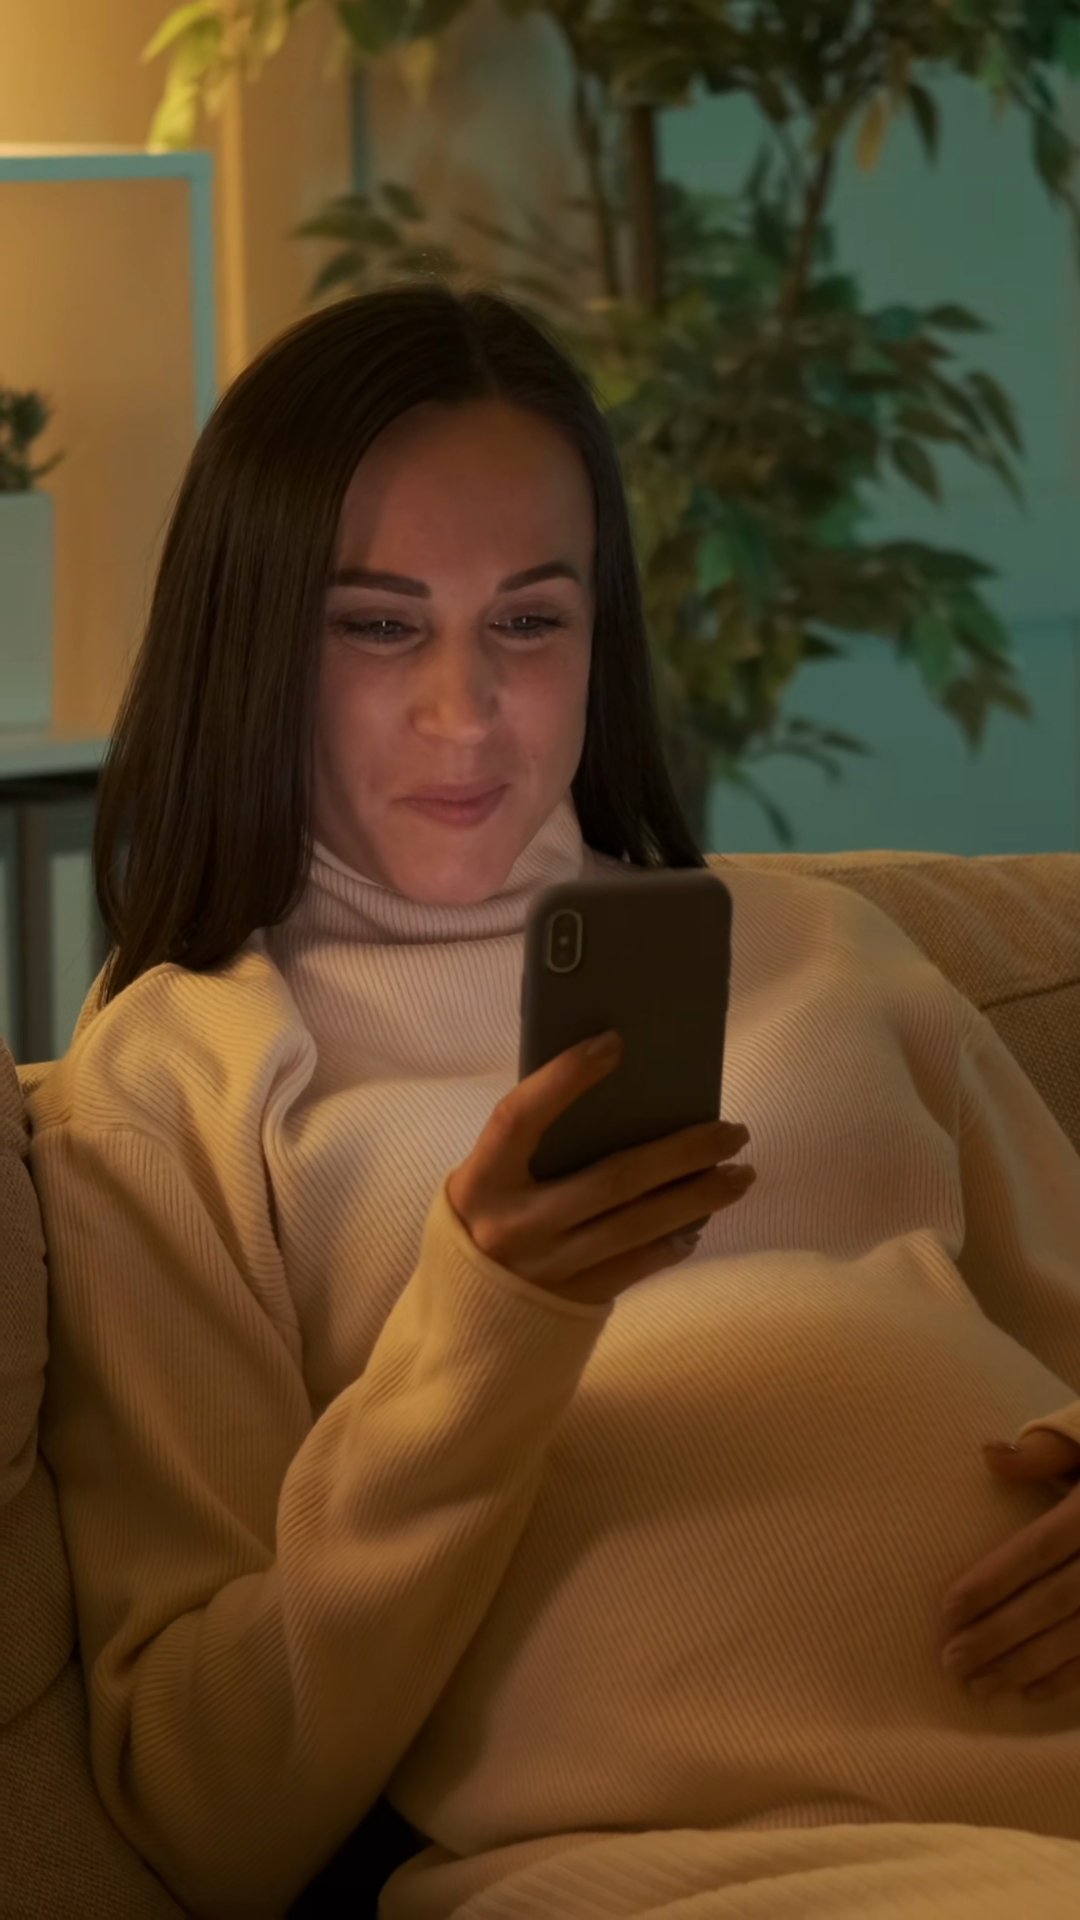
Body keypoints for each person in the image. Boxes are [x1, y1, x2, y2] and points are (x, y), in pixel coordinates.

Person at [24, 280, 1080, 1920]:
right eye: (379, 626)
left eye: (531, 622)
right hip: (716, 1864)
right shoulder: (175, 1087)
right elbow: (212, 1801)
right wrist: (485, 1324)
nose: (466, 712)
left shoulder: (823, 950)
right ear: (258, 638)